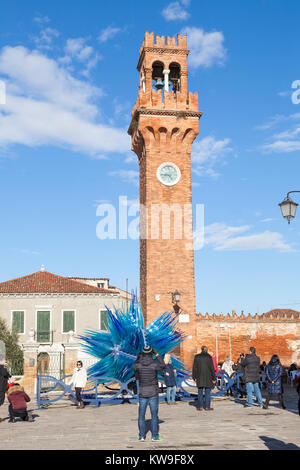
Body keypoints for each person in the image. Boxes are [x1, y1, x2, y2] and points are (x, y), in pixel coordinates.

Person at [133, 345, 166, 441]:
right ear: (151, 353)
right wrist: (157, 354)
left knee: (141, 415)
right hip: (153, 392)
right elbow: (163, 365)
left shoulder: (138, 364)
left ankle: (142, 436)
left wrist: (138, 358)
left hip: (143, 392)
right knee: (154, 415)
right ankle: (154, 435)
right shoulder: (154, 364)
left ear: (142, 353)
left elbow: (134, 367)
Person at [192, 346, 216, 411]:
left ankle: (200, 406)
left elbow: (194, 367)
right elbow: (212, 368)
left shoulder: (197, 357)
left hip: (199, 377)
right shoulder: (209, 357)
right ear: (206, 350)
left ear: (201, 350)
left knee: (200, 392)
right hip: (208, 377)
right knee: (207, 392)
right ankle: (207, 406)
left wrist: (194, 377)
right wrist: (214, 378)